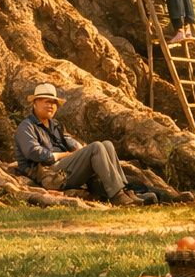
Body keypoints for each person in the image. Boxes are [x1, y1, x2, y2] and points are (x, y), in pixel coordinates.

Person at [14, 83, 147, 206]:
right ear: (35, 103)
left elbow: (67, 139)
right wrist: (64, 155)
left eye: (54, 102)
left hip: (65, 166)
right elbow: (34, 152)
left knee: (106, 144)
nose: (51, 105)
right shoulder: (26, 127)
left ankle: (124, 191)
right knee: (96, 147)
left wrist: (78, 147)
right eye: (47, 101)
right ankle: (117, 196)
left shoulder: (55, 125)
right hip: (49, 174)